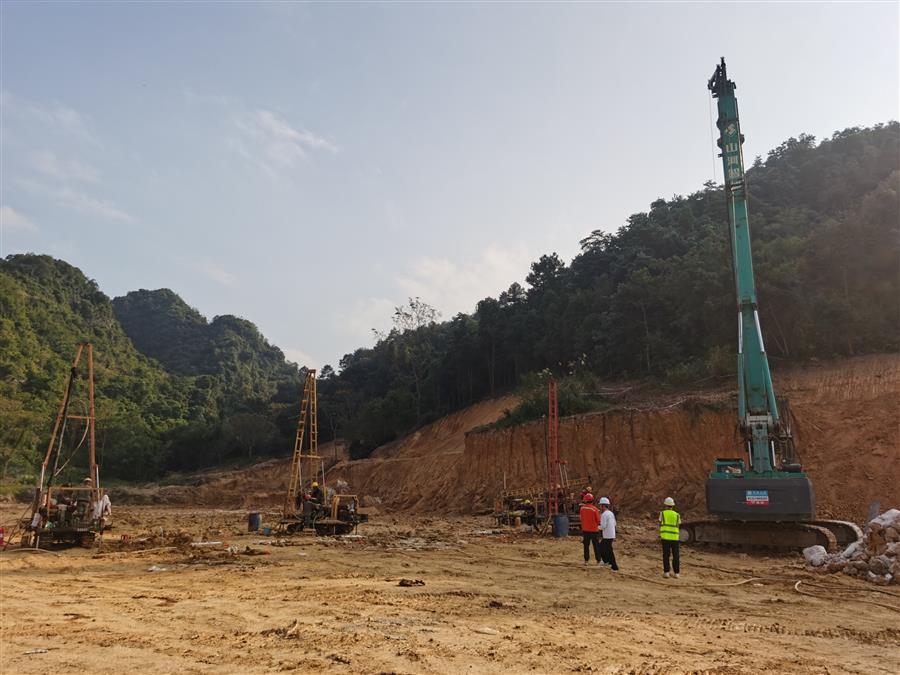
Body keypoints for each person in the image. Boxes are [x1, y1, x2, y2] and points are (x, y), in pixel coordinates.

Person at [659, 496, 681, 578]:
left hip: (665, 537)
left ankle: (666, 572)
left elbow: (660, 523)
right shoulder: (677, 515)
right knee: (676, 556)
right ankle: (676, 573)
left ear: (665, 505)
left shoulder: (662, 513)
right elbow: (678, 525)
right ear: (672, 506)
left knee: (666, 555)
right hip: (675, 538)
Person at [578, 493, 602, 566]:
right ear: (592, 500)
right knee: (596, 546)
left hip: (585, 530)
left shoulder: (582, 509)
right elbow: (598, 520)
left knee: (586, 546)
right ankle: (598, 560)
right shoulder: (594, 509)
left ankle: (586, 561)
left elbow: (581, 519)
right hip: (594, 530)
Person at [598, 497, 619, 570]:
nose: (600, 507)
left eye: (600, 505)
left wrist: (596, 527)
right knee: (602, 548)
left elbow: (603, 526)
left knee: (608, 550)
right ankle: (606, 561)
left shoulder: (604, 515)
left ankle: (614, 566)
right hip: (611, 534)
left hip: (607, 535)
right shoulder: (610, 513)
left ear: (603, 506)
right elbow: (615, 523)